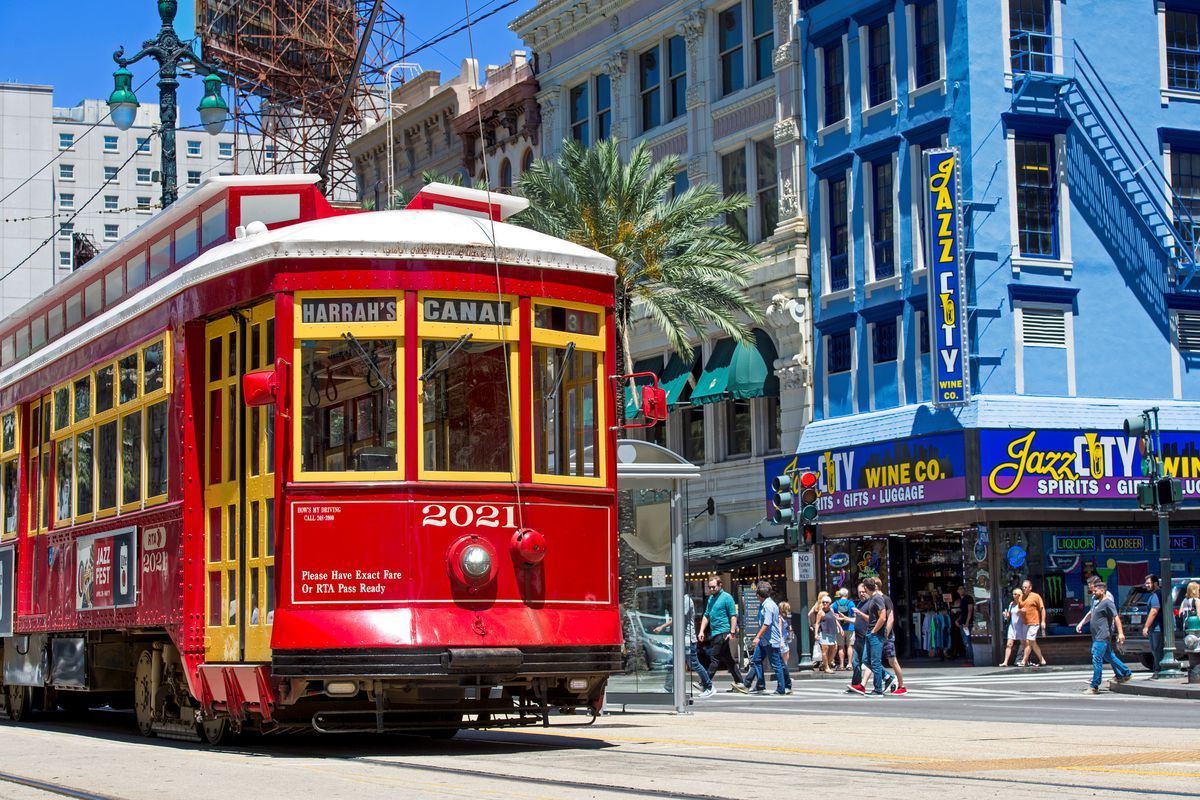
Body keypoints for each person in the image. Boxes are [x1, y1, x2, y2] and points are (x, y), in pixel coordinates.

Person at [653, 592, 714, 699]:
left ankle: (709, 687)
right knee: (672, 662)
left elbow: (678, 617)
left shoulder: (686, 600)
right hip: (681, 639)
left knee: (694, 664)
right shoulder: (680, 600)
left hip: (687, 640)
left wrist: (662, 627)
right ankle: (667, 688)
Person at [697, 575, 747, 693]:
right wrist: (701, 631)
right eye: (710, 587)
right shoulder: (711, 599)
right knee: (728, 659)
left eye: (713, 587)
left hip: (723, 632)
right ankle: (740, 682)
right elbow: (706, 615)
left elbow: (733, 616)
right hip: (715, 633)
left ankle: (704, 683)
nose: (711, 589)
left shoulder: (727, 597)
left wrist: (732, 632)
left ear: (720, 585)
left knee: (714, 657)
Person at [1083, 579, 1132, 694]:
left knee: (1096, 659)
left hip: (1102, 636)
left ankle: (1094, 685)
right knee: (1110, 657)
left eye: (1095, 591)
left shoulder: (1107, 602)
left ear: (1102, 590)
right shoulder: (1097, 601)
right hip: (1097, 636)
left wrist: (1120, 633)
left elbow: (1116, 617)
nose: (1093, 593)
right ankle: (1126, 673)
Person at [747, 581, 787, 695]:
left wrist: (757, 637)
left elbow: (767, 623)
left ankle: (781, 688)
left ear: (759, 595)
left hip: (770, 640)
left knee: (776, 664)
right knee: (756, 660)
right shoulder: (766, 604)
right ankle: (760, 685)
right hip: (765, 640)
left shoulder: (768, 605)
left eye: (757, 595)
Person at [879, 585, 907, 695]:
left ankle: (901, 685)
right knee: (873, 660)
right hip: (880, 634)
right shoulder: (875, 599)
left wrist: (886, 634)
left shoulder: (885, 599)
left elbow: (890, 618)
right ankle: (887, 679)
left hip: (886, 635)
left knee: (892, 661)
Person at [1018, 579, 1047, 667]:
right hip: (1025, 623)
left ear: (1030, 588)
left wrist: (1043, 621)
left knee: (1029, 641)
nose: (1024, 589)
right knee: (1032, 643)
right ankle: (1042, 660)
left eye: (1026, 587)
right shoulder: (1020, 597)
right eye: (1023, 587)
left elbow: (1042, 609)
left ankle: (1024, 660)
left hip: (1034, 622)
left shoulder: (1036, 596)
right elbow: (1018, 610)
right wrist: (1020, 611)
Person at [1142, 574, 1163, 673]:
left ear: (1155, 583)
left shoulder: (1157, 594)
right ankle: (1157, 670)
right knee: (1155, 651)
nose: (1146, 585)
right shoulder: (1153, 595)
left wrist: (1146, 626)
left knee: (1157, 650)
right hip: (1154, 629)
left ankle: (1158, 671)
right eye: (1146, 583)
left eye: (1148, 583)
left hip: (1157, 629)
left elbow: (1154, 611)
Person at [830, 587, 856, 670]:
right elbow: (855, 613)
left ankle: (841, 665)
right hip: (850, 627)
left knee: (841, 647)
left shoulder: (835, 604)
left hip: (840, 627)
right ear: (847, 595)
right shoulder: (851, 603)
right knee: (850, 646)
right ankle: (849, 664)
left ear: (840, 595)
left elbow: (831, 613)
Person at [999, 587, 1026, 667]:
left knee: (1023, 644)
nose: (1014, 596)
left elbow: (1026, 614)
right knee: (1009, 644)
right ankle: (1005, 662)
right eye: (1013, 594)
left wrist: (1021, 611)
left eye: (1016, 594)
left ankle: (1023, 660)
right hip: (1012, 626)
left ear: (1020, 595)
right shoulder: (1011, 604)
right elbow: (1009, 616)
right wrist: (1006, 615)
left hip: (1021, 625)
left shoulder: (1023, 603)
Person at [814, 596, 840, 674]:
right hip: (824, 632)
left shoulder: (831, 610)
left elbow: (835, 620)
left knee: (835, 648)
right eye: (823, 602)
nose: (824, 603)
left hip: (832, 632)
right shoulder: (820, 612)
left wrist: (840, 628)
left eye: (826, 602)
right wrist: (816, 634)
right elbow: (817, 623)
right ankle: (826, 667)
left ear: (829, 603)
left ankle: (827, 664)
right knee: (825, 649)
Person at [955, 585, 976, 665]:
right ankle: (968, 660)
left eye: (963, 589)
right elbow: (963, 612)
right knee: (965, 642)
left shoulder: (968, 598)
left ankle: (970, 660)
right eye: (960, 589)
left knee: (967, 642)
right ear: (958, 591)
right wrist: (957, 620)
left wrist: (967, 622)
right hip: (962, 622)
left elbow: (970, 611)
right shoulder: (961, 600)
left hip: (966, 624)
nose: (961, 590)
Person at [778, 601, 794, 694]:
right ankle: (783, 676)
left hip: (785, 638)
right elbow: (779, 629)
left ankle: (785, 675)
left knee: (786, 658)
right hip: (782, 640)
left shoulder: (786, 617)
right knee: (782, 659)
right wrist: (780, 641)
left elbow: (788, 627)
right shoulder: (779, 618)